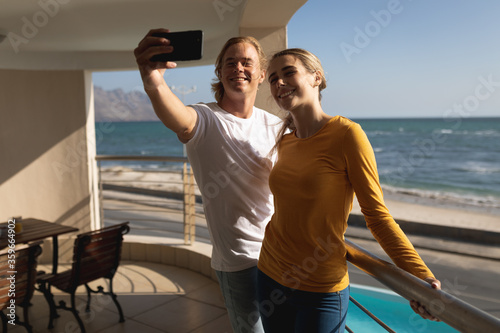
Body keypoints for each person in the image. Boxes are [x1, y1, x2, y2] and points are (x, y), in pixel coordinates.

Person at [256, 48, 441, 332]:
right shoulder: (286, 142)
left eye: (289, 72)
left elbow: (377, 217)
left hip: (320, 289)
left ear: (316, 78)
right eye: (273, 78)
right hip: (270, 274)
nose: (279, 83)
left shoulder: (347, 135)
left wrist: (420, 277)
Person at [134, 30, 282, 333]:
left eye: (246, 62)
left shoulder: (276, 125)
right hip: (240, 262)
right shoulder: (205, 119)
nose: (238, 69)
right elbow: (179, 118)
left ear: (262, 74)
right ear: (220, 72)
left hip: (282, 255)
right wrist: (154, 81)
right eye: (230, 63)